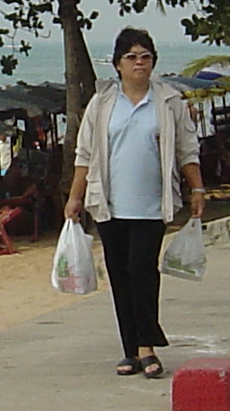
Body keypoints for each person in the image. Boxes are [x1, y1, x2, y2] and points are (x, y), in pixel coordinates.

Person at [64, 27, 206, 378]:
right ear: (117, 64)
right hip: (109, 205)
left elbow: (187, 150)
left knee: (142, 271)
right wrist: (75, 197)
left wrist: (197, 190)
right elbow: (85, 154)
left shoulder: (169, 102)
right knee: (120, 275)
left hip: (151, 206)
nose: (139, 63)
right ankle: (130, 349)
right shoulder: (102, 104)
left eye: (145, 56)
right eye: (131, 57)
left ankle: (147, 345)